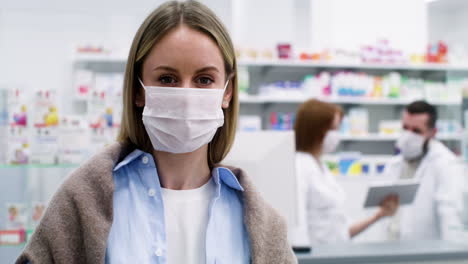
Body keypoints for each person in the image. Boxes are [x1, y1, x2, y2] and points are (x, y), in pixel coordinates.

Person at [16, 1, 296, 263]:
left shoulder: (261, 222)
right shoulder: (86, 199)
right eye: (167, 79)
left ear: (227, 92)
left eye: (204, 79)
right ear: (139, 90)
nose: (186, 94)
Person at [292, 99, 398, 247]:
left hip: (333, 254)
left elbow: (342, 232)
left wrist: (378, 216)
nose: (337, 135)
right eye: (334, 128)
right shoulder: (300, 166)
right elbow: (297, 227)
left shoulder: (321, 167)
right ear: (317, 130)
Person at [384, 100, 463, 241]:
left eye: (416, 131)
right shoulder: (394, 164)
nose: (408, 136)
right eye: (405, 128)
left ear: (432, 132)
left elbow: (451, 218)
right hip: (393, 250)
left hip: (428, 255)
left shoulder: (445, 164)